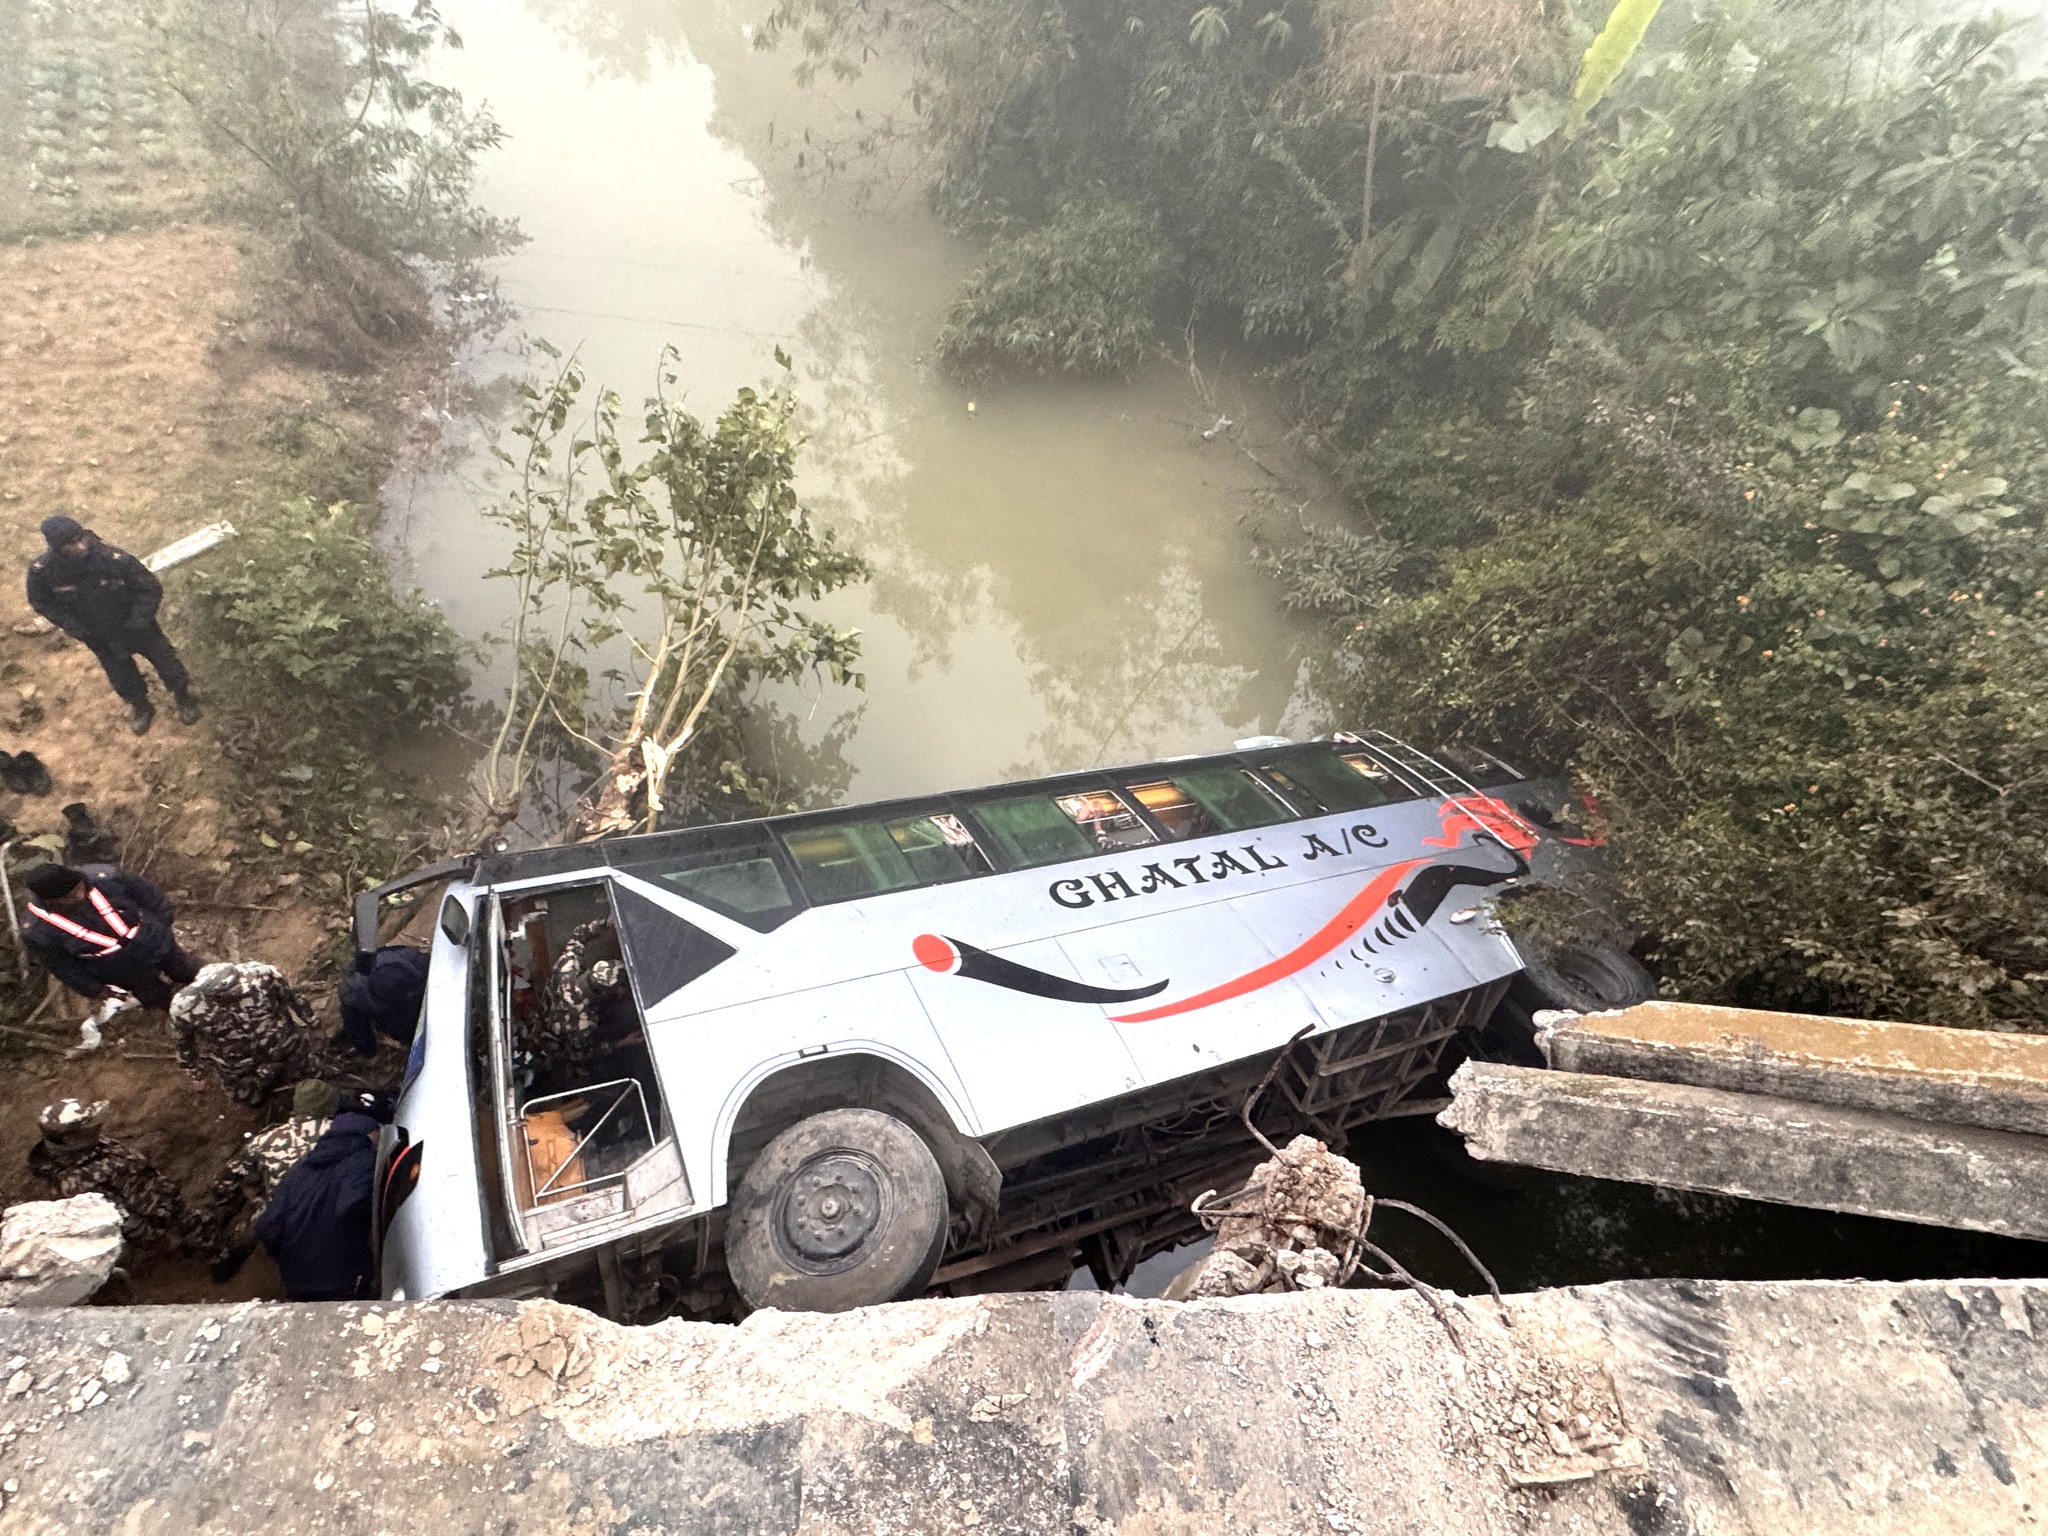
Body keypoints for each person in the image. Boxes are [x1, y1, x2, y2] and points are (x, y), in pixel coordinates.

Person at [26, 513, 200, 734]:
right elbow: (41, 600)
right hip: (99, 635)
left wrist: (139, 620)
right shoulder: (44, 572)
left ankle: (183, 697)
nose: (80, 546)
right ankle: (141, 707)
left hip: (138, 627)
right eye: (71, 544)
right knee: (121, 676)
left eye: (81, 538)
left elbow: (149, 588)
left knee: (167, 664)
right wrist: (74, 627)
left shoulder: (112, 558)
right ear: (56, 548)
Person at [200, 1078, 340, 1279]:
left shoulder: (264, 1140)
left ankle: (228, 1261)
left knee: (258, 1210)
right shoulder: (343, 1134)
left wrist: (247, 1195)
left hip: (280, 1220)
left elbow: (223, 1183)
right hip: (330, 1215)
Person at [21, 861, 200, 1010]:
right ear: (49, 901)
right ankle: (177, 1011)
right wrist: (94, 989)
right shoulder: (37, 929)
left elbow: (149, 894)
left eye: (79, 889)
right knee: (153, 994)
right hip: (115, 966)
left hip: (150, 938)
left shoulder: (106, 878)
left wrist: (162, 923)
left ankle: (206, 992)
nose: (79, 897)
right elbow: (61, 965)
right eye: (69, 898)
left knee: (186, 970)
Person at [26, 1098, 193, 1257]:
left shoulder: (88, 1145)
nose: (96, 1127)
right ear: (70, 1139)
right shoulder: (77, 1183)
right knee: (200, 1240)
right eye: (88, 1127)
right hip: (158, 1220)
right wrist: (162, 1241)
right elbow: (122, 1219)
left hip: (164, 1200)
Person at [256, 1102, 382, 1301]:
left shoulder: (300, 1170)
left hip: (296, 1281)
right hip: (343, 1279)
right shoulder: (361, 1160)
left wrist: (287, 1260)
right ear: (368, 1134)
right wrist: (360, 1256)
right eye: (377, 1135)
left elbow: (268, 1224)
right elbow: (348, 1209)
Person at [169, 959, 321, 1107]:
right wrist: (194, 1071)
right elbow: (183, 1042)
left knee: (312, 1078)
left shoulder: (262, 975)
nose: (236, 993)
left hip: (284, 1042)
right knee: (247, 1097)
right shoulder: (185, 1007)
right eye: (226, 994)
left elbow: (292, 997)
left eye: (236, 988)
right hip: (238, 1063)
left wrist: (311, 1021)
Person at [335, 944, 429, 1057]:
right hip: (390, 1013)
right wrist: (367, 1051)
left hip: (418, 993)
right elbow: (356, 1027)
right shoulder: (355, 994)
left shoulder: (420, 964)